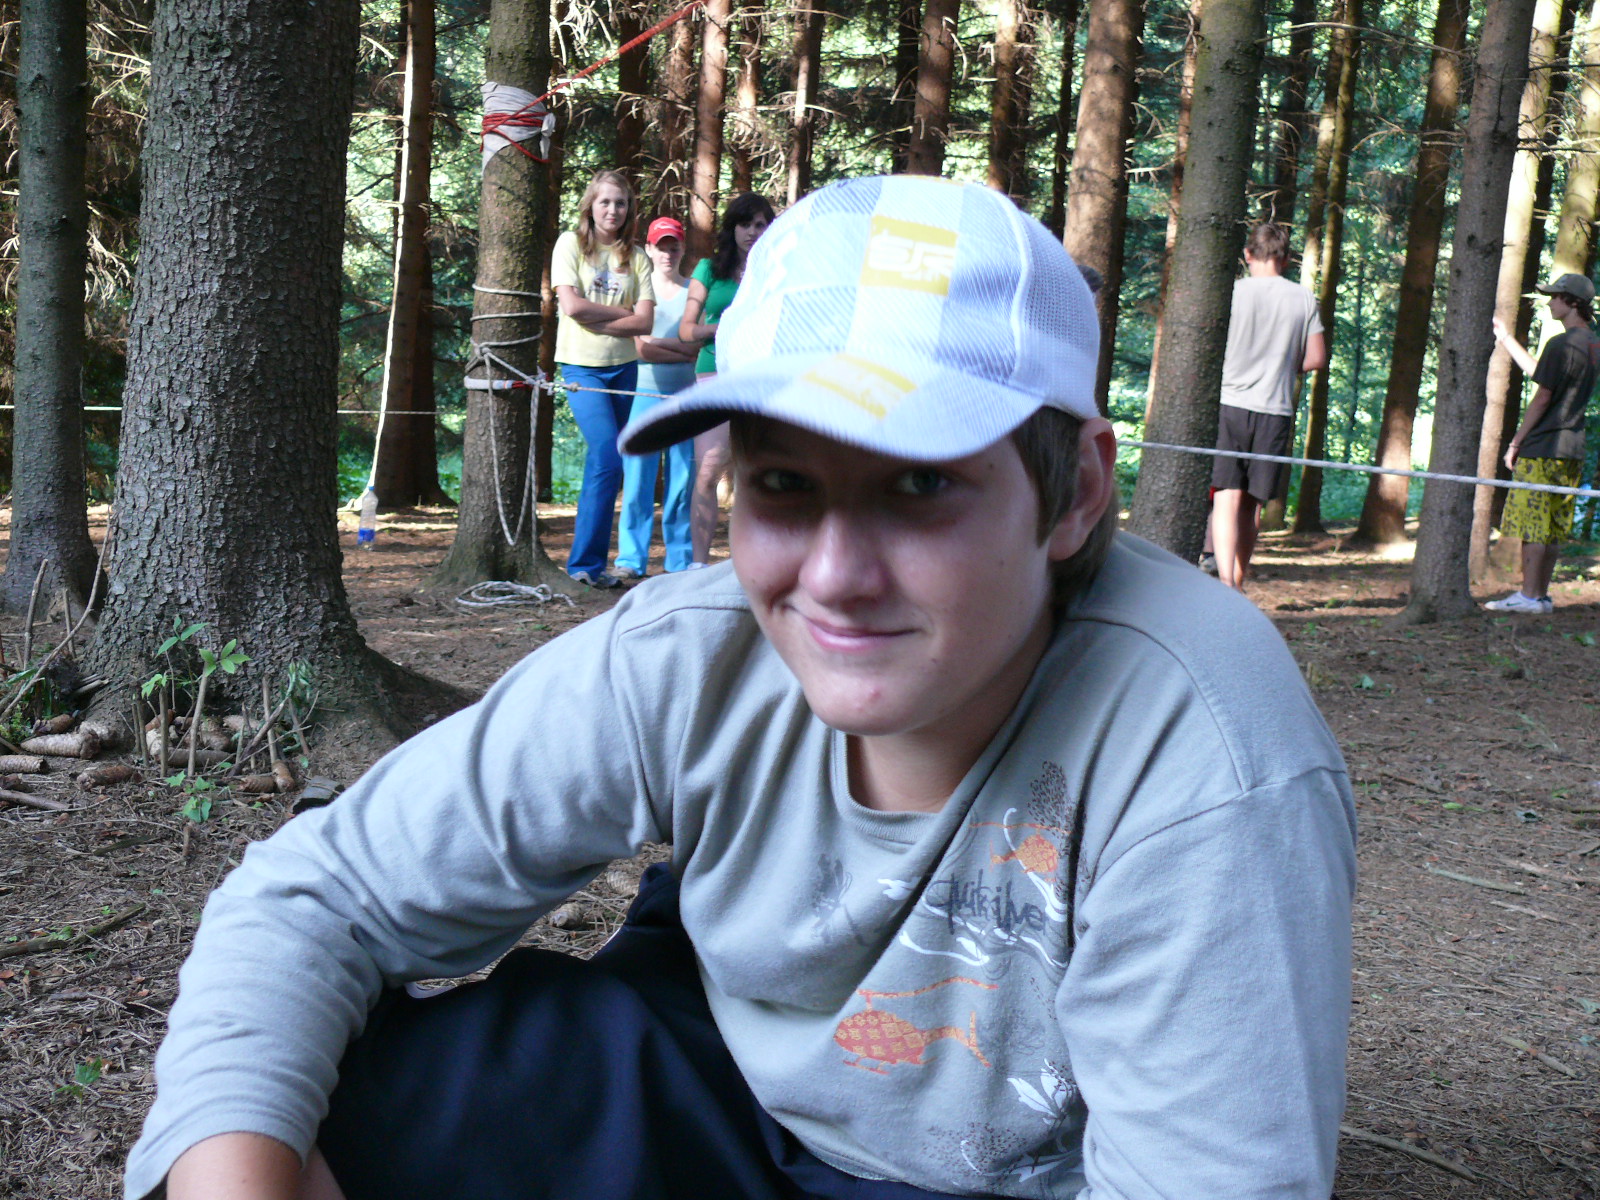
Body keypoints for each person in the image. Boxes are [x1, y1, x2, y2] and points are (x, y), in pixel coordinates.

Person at [128, 176, 1356, 1200]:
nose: (834, 578)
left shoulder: (1202, 752)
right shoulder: (692, 650)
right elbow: (315, 901)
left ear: (1075, 492)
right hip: (716, 1086)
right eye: (783, 486)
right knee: (315, 1101)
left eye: (920, 485)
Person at [1209, 222, 1328, 591]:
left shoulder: (1230, 292)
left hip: (1229, 403)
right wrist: (1282, 365)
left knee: (1226, 497)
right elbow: (1316, 357)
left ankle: (1225, 583)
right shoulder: (1303, 298)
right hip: (1274, 408)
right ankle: (1238, 581)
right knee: (1252, 503)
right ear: (1286, 259)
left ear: (1248, 254)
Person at [551, 169, 655, 589]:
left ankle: (591, 567)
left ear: (629, 209)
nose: (613, 210)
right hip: (581, 366)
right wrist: (621, 315)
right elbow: (571, 308)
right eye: (605, 201)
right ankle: (583, 565)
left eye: (621, 203)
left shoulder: (638, 256)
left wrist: (599, 318)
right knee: (608, 455)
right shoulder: (570, 244)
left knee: (609, 462)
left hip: (624, 368)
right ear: (590, 206)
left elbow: (645, 321)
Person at [1485, 273, 1600, 614]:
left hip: (1543, 448)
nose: (1550, 303)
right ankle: (1540, 596)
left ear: (1572, 302)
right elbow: (1542, 374)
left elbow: (1543, 396)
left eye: (1554, 297)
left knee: (1532, 524)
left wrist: (1516, 442)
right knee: (1552, 526)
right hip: (1572, 449)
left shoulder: (1561, 344)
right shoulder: (1592, 344)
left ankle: (1529, 597)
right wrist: (1506, 339)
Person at [679, 192, 774, 567]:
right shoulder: (708, 269)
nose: (752, 232)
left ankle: (751, 567)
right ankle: (697, 565)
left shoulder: (776, 270)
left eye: (760, 224)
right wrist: (724, 329)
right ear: (732, 228)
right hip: (714, 375)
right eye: (745, 223)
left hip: (759, 379)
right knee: (707, 472)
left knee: (756, 472)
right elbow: (687, 331)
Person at [614, 216, 699, 578]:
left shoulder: (694, 291)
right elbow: (640, 349)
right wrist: (679, 347)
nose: (667, 253)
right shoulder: (638, 289)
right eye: (661, 247)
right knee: (637, 480)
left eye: (673, 246)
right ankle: (630, 560)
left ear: (682, 249)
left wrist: (662, 345)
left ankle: (679, 562)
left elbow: (696, 349)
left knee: (682, 482)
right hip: (644, 394)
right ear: (648, 249)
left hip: (688, 399)